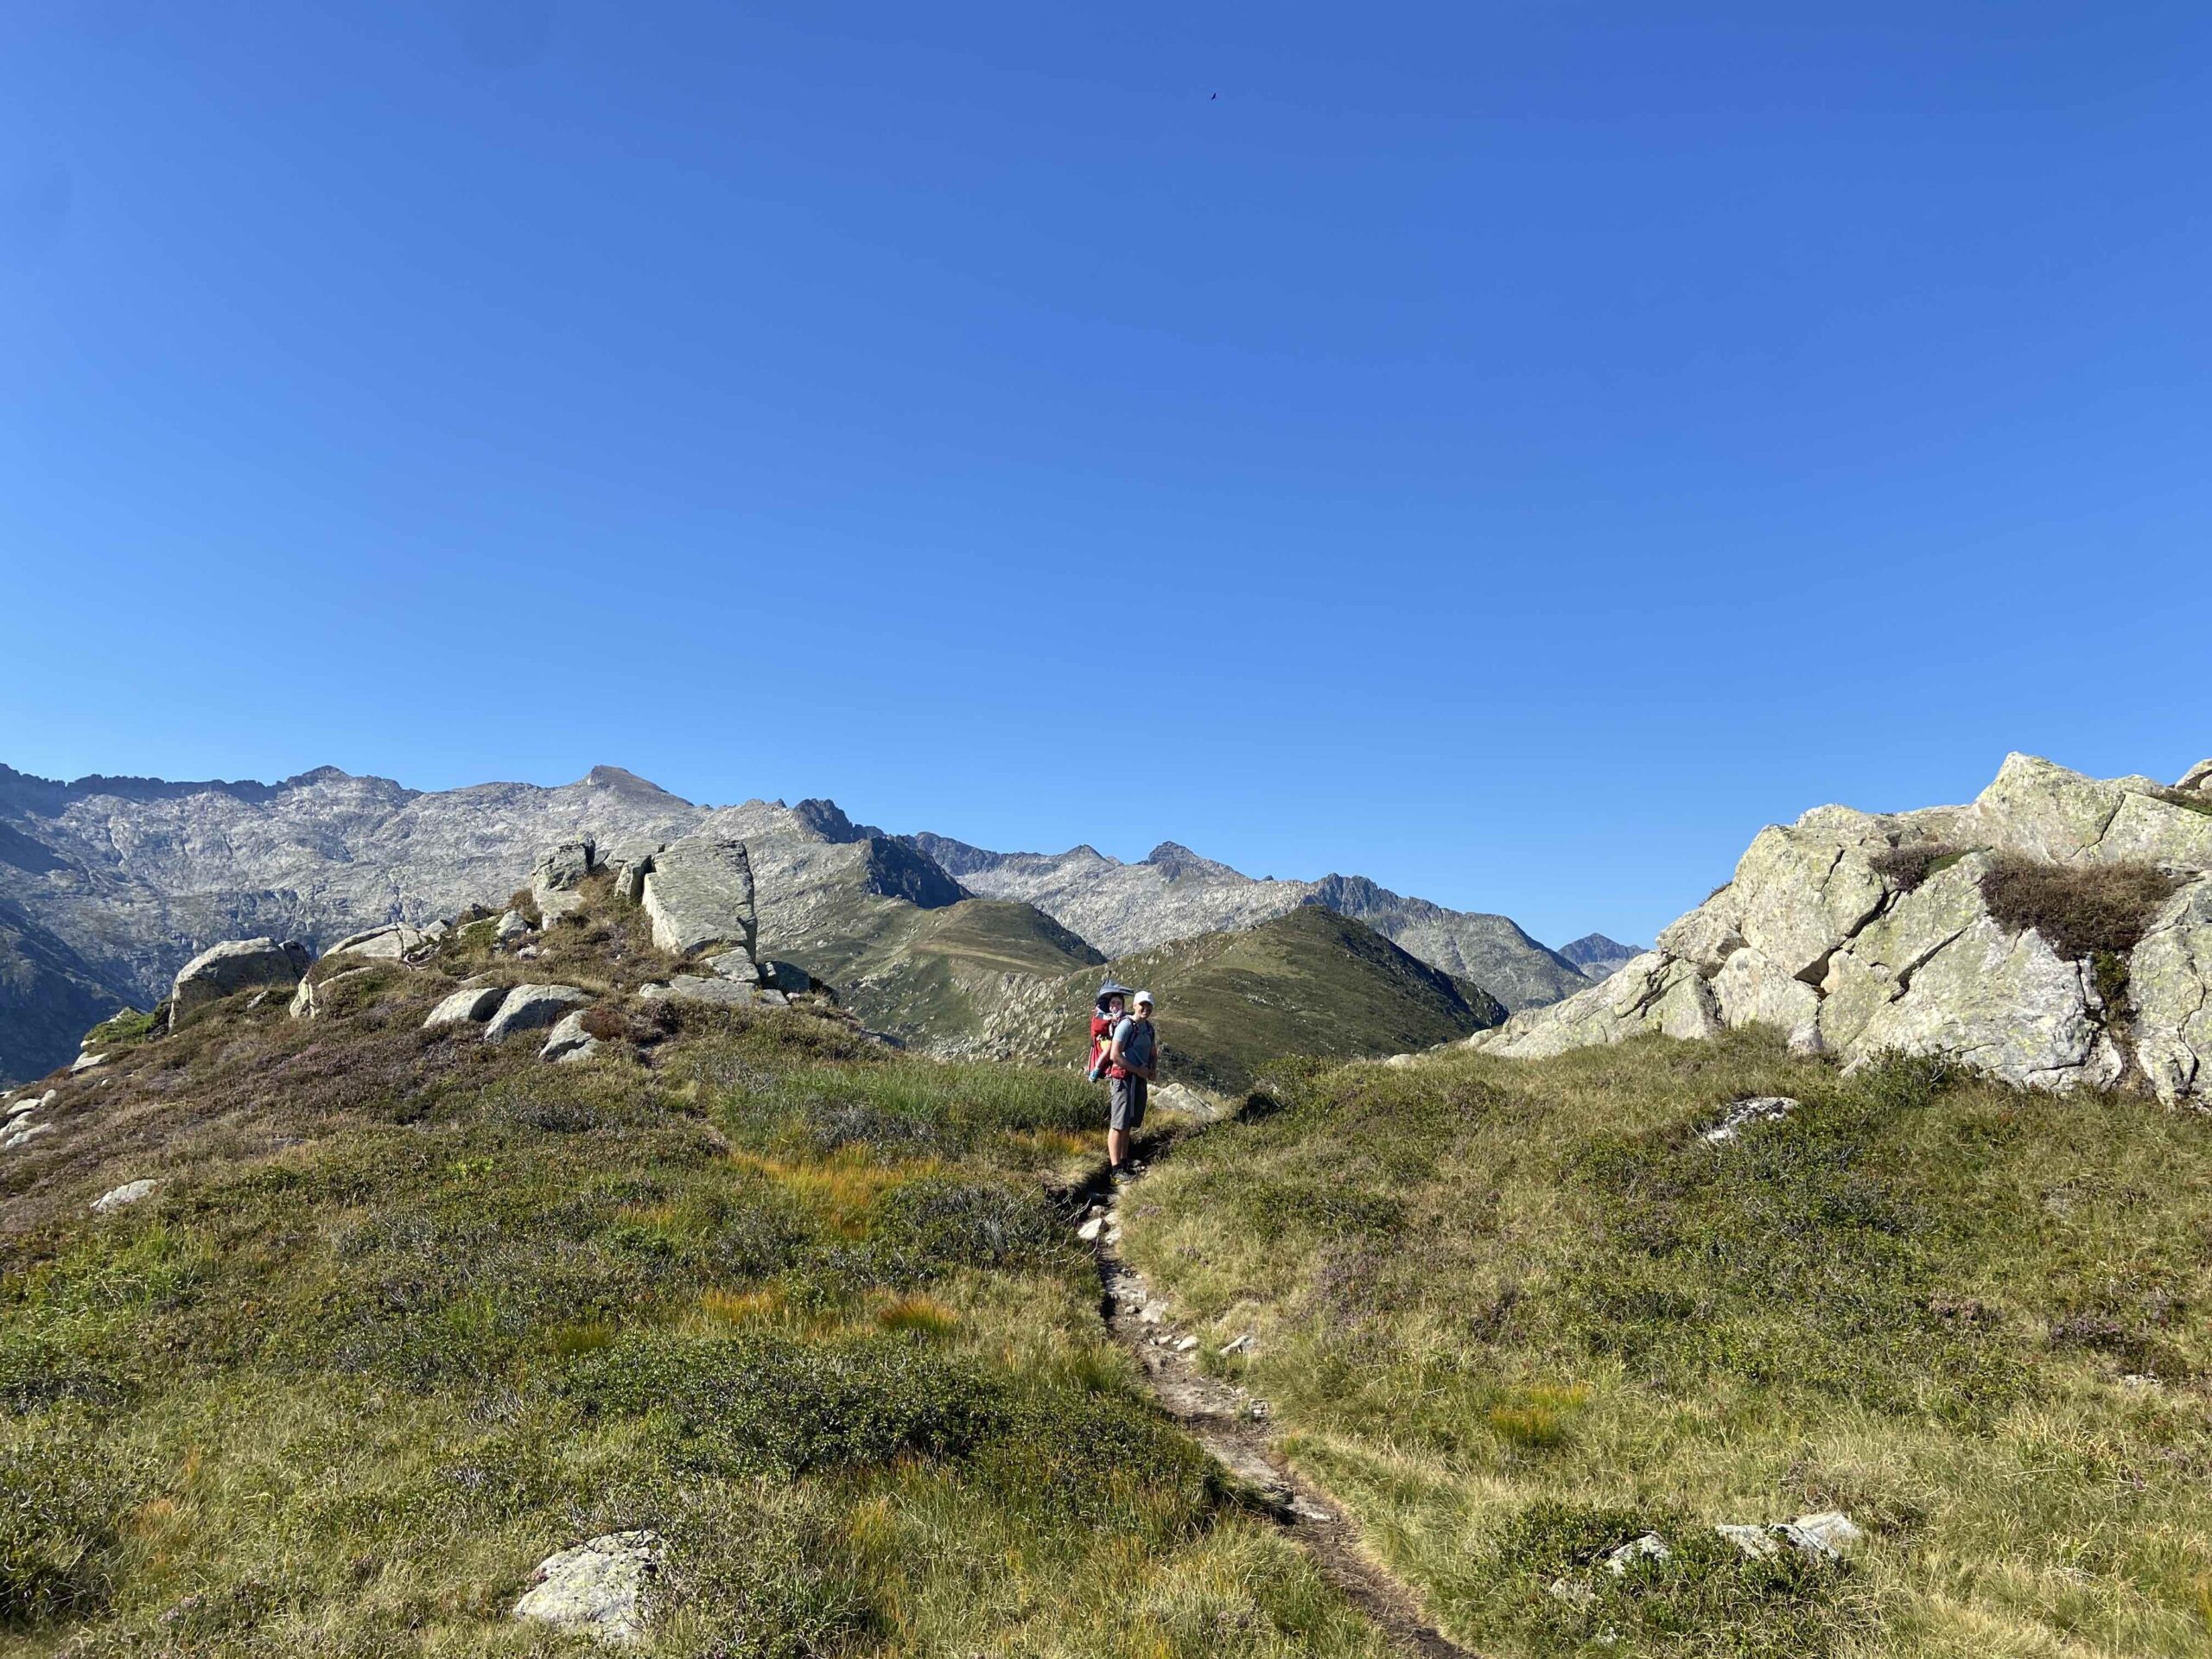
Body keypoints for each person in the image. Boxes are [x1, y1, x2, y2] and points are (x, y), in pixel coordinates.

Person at [1106, 990, 1157, 1177]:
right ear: (1134, 1006)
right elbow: (1115, 1055)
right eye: (1142, 1005)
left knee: (1128, 1122)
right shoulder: (1126, 1026)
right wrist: (1138, 1070)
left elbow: (1153, 1052)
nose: (1146, 1008)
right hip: (1123, 1079)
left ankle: (1124, 1161)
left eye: (1149, 1005)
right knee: (1118, 1124)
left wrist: (1153, 1069)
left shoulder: (1149, 1029)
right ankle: (1115, 1169)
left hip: (1138, 1079)